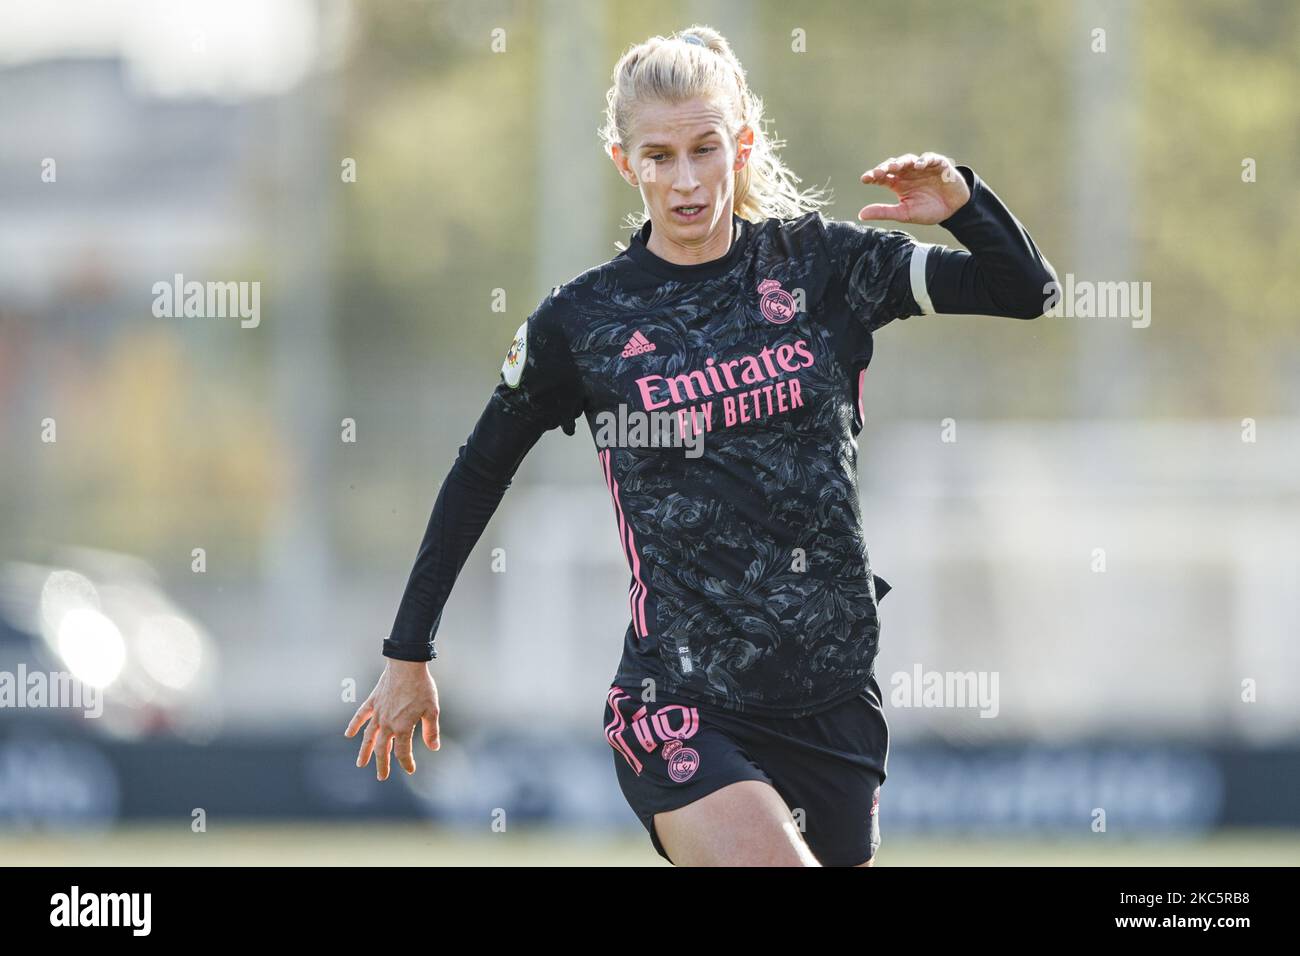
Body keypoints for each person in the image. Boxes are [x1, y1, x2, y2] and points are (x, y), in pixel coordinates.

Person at [345, 24, 1056, 866]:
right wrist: (409, 651)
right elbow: (477, 475)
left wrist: (966, 205)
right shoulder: (584, 322)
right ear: (624, 162)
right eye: (658, 156)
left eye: (704, 149)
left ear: (742, 144)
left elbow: (1026, 292)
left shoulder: (821, 267)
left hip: (832, 697)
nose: (683, 180)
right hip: (676, 699)